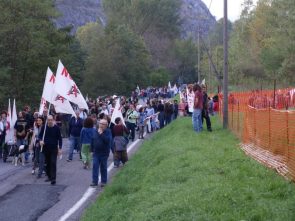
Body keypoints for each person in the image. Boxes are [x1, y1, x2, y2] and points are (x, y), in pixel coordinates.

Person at [39, 115, 62, 185]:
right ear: (47, 121)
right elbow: (40, 136)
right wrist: (40, 141)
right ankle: (49, 176)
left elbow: (60, 139)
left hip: (54, 148)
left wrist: (60, 148)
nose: (50, 121)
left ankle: (53, 179)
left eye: (51, 120)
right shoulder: (44, 127)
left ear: (53, 120)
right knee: (47, 163)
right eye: (48, 120)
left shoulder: (56, 128)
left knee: (53, 162)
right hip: (46, 148)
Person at [90, 119, 111, 188]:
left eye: (103, 124)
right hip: (96, 152)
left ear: (106, 125)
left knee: (103, 167)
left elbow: (108, 141)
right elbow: (92, 140)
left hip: (104, 153)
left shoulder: (108, 132)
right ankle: (94, 181)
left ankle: (103, 181)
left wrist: (101, 134)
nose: (101, 125)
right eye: (100, 123)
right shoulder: (95, 131)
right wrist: (91, 150)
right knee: (95, 166)